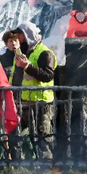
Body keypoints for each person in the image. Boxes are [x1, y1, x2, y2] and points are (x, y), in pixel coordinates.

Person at [10, 21, 57, 160]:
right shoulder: (21, 54)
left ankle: (46, 171)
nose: (18, 39)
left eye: (20, 36)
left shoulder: (45, 53)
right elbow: (17, 78)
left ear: (28, 36)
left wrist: (27, 66)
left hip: (41, 104)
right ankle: (20, 167)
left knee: (42, 140)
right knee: (15, 136)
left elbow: (48, 76)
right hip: (23, 103)